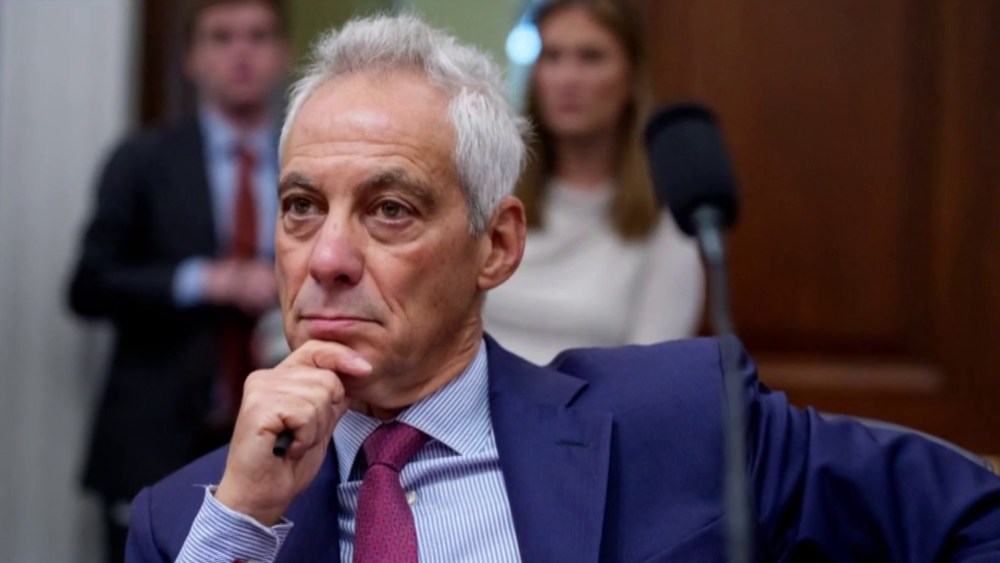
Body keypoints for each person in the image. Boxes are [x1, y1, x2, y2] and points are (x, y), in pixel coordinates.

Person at [124, 14, 1000, 563]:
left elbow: (972, 520)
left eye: (390, 209)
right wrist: (244, 521)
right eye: (302, 207)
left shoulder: (684, 421)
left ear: (498, 246)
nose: (327, 258)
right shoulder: (189, 522)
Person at [66, 0, 289, 560]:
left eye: (258, 36)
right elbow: (89, 285)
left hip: (279, 436)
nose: (241, 53)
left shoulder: (306, 160)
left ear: (283, 53)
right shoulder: (143, 159)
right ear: (192, 58)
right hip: (153, 438)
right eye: (222, 37)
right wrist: (202, 281)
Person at [483, 0, 704, 365]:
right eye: (552, 56)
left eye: (591, 57)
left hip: (600, 403)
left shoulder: (665, 227)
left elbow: (652, 376)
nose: (567, 78)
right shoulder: (491, 196)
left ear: (631, 77)